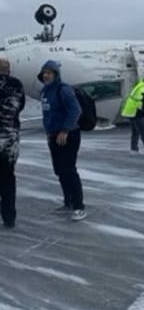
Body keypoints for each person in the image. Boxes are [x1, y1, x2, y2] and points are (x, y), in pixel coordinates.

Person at [38, 60, 87, 221]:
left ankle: (79, 206)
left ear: (56, 74)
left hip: (68, 135)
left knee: (69, 170)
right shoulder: (45, 91)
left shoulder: (63, 90)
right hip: (53, 135)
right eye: (44, 72)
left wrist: (65, 130)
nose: (46, 75)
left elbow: (75, 110)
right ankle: (68, 202)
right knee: (59, 170)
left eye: (49, 72)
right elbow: (48, 114)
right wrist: (49, 133)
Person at [0, 58, 25, 228]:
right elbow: (20, 105)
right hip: (10, 137)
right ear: (8, 70)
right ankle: (9, 217)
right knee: (8, 178)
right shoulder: (16, 84)